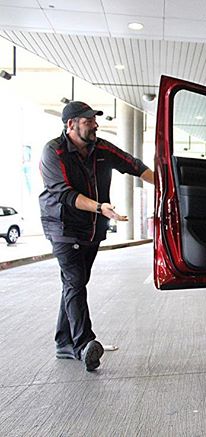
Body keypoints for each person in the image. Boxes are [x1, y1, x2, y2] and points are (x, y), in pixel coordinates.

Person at [39, 101, 154, 372]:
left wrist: (166, 184)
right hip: (63, 226)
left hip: (92, 228)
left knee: (75, 284)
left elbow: (133, 164)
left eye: (94, 120)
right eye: (89, 121)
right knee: (75, 280)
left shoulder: (100, 148)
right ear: (71, 125)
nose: (95, 125)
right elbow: (63, 193)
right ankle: (83, 344)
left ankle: (63, 342)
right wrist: (100, 207)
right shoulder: (53, 151)